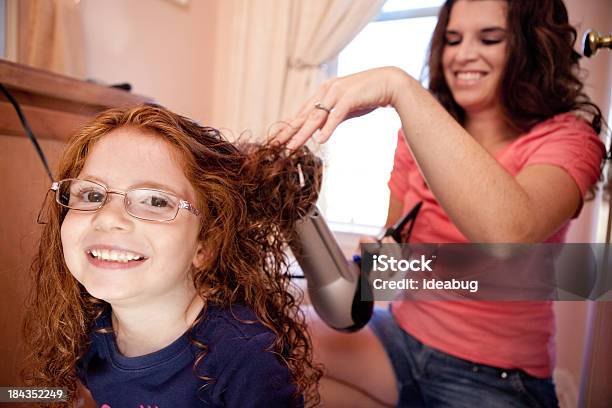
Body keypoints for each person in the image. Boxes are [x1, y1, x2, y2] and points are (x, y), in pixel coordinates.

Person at [274, 0, 607, 407]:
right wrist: (369, 265)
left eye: (489, 38)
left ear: (529, 46)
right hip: (399, 339)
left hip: (494, 376)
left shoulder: (569, 139)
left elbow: (508, 233)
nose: (463, 54)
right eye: (452, 39)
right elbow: (395, 263)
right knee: (268, 351)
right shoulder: (416, 139)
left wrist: (399, 87)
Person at [22, 104, 323, 407]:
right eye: (91, 195)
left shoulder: (245, 360)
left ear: (207, 243)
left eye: (154, 200)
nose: (107, 218)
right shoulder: (86, 326)